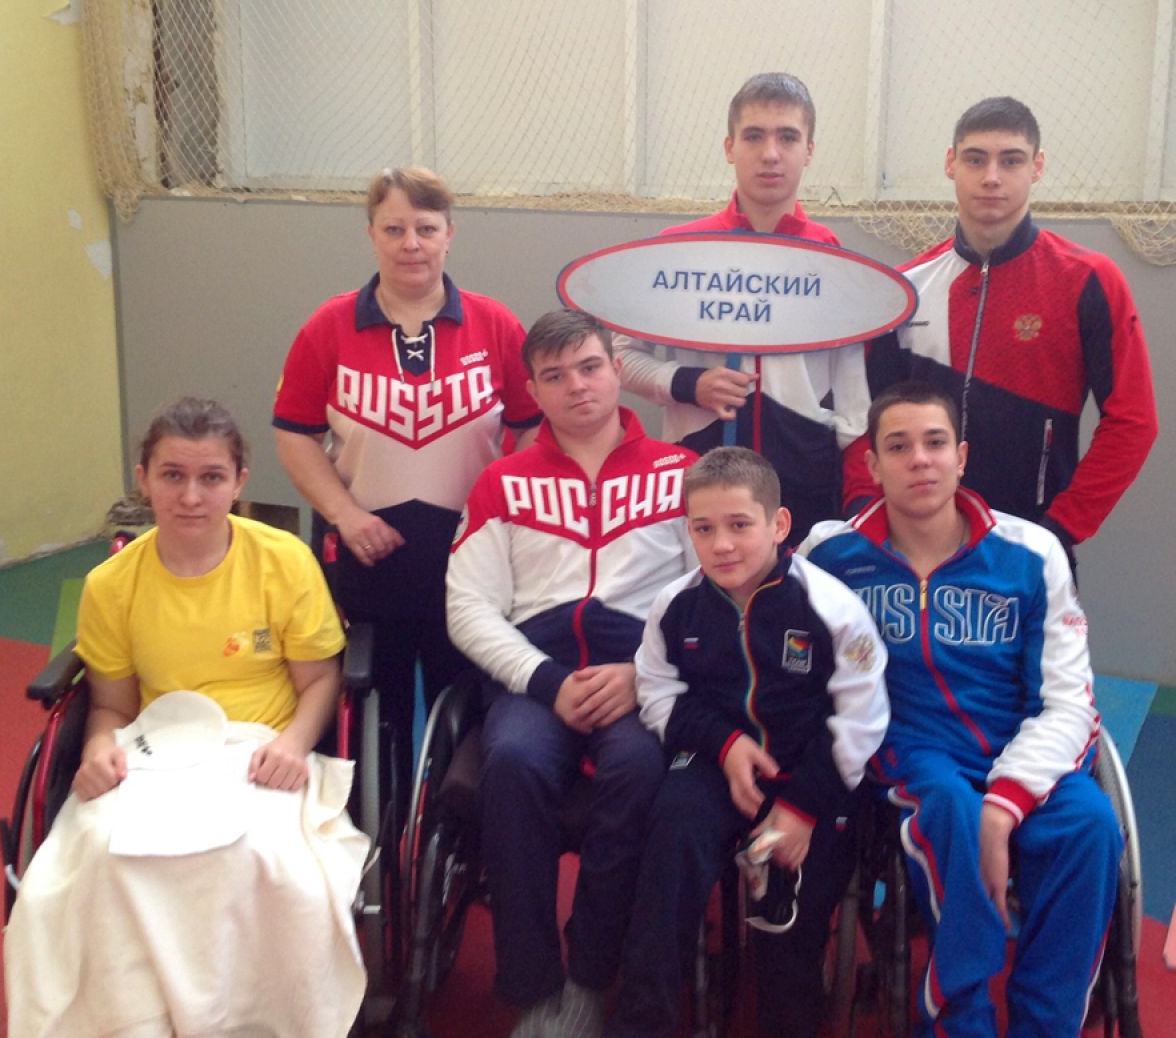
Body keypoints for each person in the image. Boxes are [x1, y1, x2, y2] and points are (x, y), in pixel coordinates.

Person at [4, 397, 368, 1037]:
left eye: (211, 477)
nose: (192, 496)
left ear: (239, 481)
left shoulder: (283, 560)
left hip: (260, 749)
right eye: (172, 475)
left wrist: (292, 745)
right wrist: (97, 749)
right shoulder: (112, 584)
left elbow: (319, 682)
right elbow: (112, 704)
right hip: (156, 749)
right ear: (143, 480)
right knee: (99, 856)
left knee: (269, 862)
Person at [804, 381, 1123, 1037]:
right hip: (910, 749)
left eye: (935, 442)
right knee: (949, 809)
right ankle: (961, 1019)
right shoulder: (829, 558)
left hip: (1021, 745)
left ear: (962, 456)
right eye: (899, 446)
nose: (919, 459)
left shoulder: (1031, 554)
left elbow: (1069, 700)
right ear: (872, 465)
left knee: (1091, 825)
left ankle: (1045, 1025)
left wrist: (1004, 806)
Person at [446, 309, 700, 1038]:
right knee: (513, 763)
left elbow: (711, 595)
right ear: (532, 391)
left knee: (640, 770)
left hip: (643, 669)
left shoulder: (682, 474)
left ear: (616, 370)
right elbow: (468, 607)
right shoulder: (501, 482)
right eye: (555, 376)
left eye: (589, 367)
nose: (577, 386)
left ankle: (591, 975)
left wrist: (643, 674)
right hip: (535, 672)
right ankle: (534, 987)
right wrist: (546, 681)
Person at [273, 166, 540, 807]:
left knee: (467, 702)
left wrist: (495, 509)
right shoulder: (329, 325)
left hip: (468, 557)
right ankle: (375, 830)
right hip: (370, 553)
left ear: (450, 234)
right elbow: (294, 434)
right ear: (371, 234)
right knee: (376, 707)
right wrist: (345, 514)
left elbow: (533, 427)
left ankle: (459, 835)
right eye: (394, 229)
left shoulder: (494, 324)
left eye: (425, 228)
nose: (411, 244)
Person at [605, 447, 889, 1038]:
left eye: (740, 525)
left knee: (791, 934)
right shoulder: (675, 606)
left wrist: (803, 807)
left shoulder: (831, 606)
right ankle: (642, 1021)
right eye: (704, 529)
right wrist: (725, 743)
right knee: (668, 855)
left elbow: (861, 718)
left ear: (778, 524)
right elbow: (657, 693)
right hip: (712, 765)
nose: (723, 545)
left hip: (811, 777)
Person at [862, 97, 1158, 565]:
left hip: (1032, 546)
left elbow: (1134, 421)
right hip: (915, 549)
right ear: (950, 163)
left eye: (1011, 160)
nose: (992, 177)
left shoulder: (1088, 280)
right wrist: (874, 520)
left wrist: (1059, 530)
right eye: (975, 159)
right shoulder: (905, 289)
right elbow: (869, 420)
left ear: (1037, 166)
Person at [618, 72, 870, 543]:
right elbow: (621, 358)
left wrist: (857, 500)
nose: (770, 153)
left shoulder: (834, 259)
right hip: (699, 475)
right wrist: (689, 383)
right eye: (754, 136)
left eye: (787, 137)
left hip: (806, 480)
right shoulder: (677, 249)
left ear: (809, 150)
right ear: (729, 147)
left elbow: (854, 398)